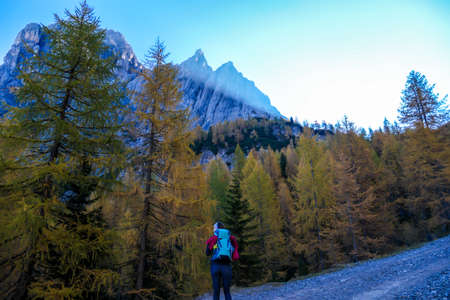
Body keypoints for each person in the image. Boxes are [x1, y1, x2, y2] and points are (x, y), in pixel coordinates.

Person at [206, 222, 239, 300]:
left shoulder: (213, 238)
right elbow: (234, 250)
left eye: (214, 228)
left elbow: (207, 253)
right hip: (226, 266)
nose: (213, 230)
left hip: (215, 266)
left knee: (216, 291)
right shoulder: (230, 238)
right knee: (227, 291)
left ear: (217, 229)